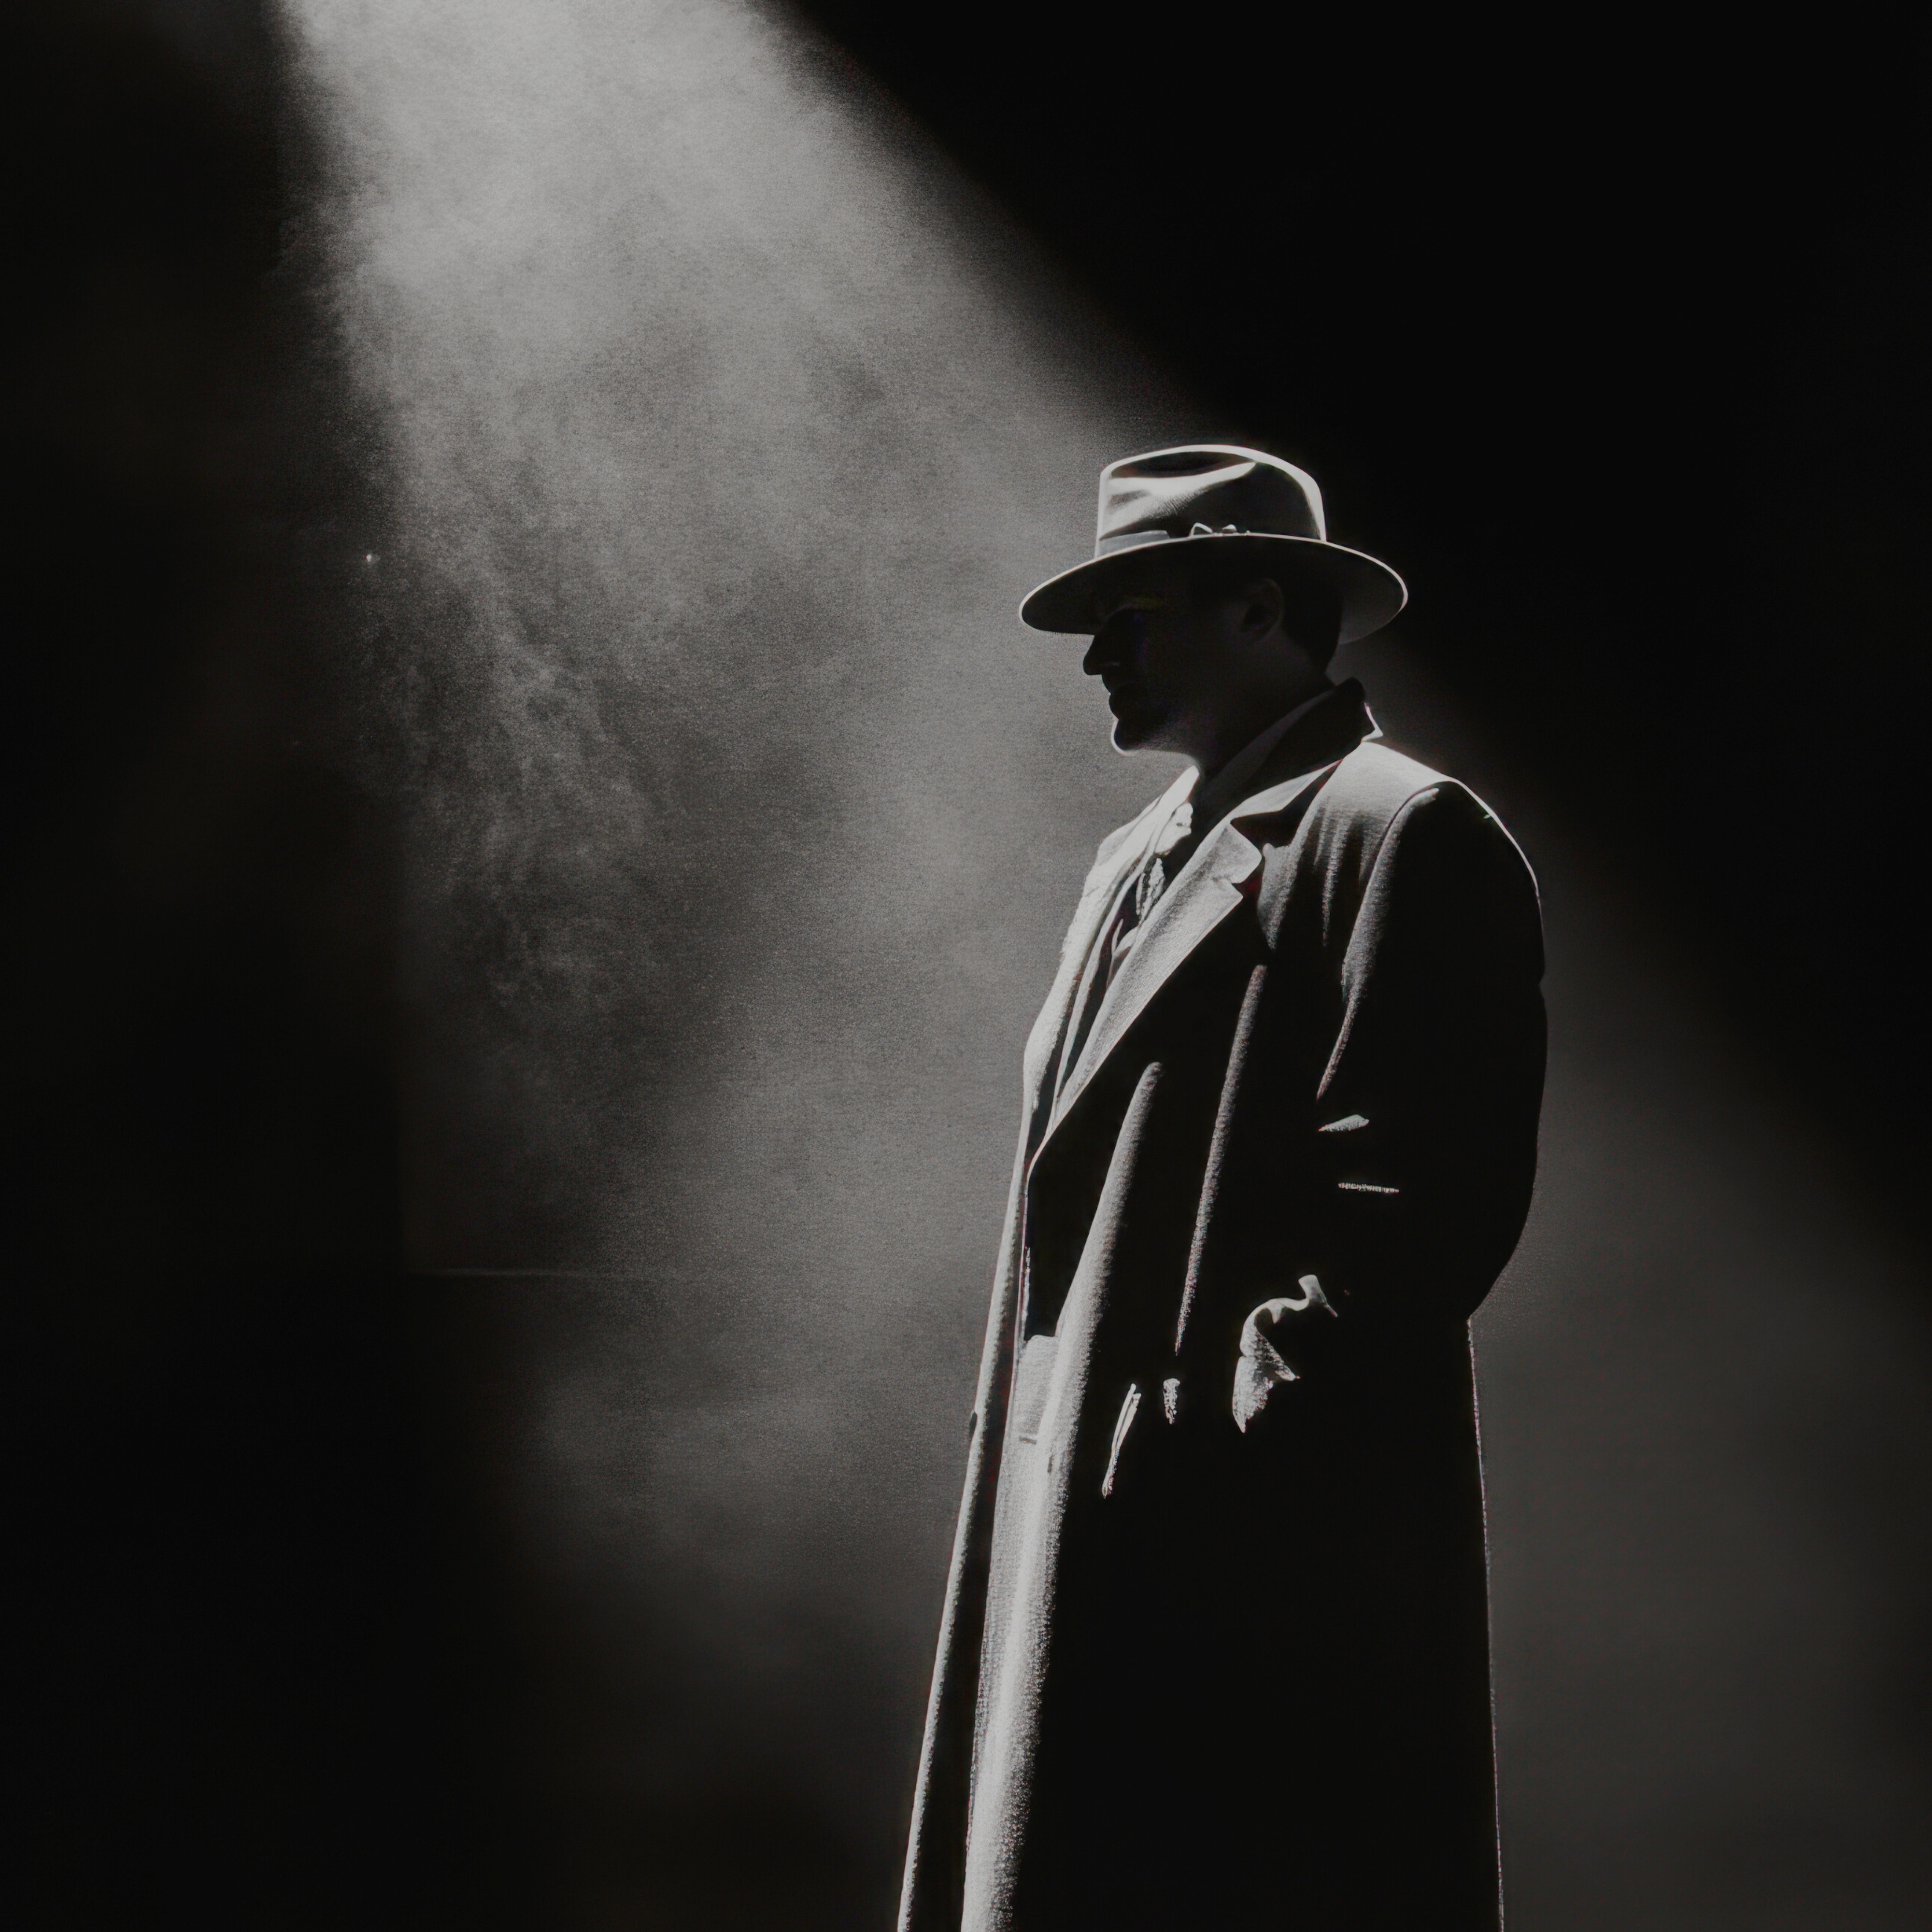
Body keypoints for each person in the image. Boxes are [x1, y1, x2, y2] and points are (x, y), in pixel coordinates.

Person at [897, 446, 1548, 1931]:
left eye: (1130, 617)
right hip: (1087, 1507)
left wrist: (1222, 1436)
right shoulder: (1128, 861)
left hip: (1249, 1562)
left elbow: (1417, 1211)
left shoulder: (1400, 830)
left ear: (1259, 608)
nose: (1098, 659)